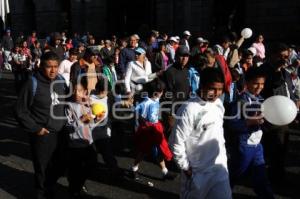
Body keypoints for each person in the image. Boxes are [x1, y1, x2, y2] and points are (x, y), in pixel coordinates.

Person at [169, 67, 232, 199]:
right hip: (197, 174)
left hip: (219, 170)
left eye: (220, 89)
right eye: (212, 88)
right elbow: (175, 142)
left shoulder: (219, 104)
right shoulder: (189, 109)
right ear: (201, 85)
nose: (216, 93)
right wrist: (186, 168)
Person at [15, 52, 67, 199]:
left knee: (61, 165)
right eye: (49, 67)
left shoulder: (61, 81)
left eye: (56, 66)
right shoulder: (32, 83)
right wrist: (36, 128)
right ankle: (41, 193)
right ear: (41, 66)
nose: (53, 70)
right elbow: (20, 111)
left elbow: (65, 101)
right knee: (42, 169)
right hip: (42, 134)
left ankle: (49, 187)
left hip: (60, 131)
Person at [227, 67, 274, 198]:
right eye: (256, 83)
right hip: (243, 147)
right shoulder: (239, 102)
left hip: (257, 146)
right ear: (247, 83)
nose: (259, 86)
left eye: (262, 83)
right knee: (232, 176)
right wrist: (249, 122)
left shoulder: (262, 100)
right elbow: (231, 125)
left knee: (261, 177)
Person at [65, 76, 104, 198]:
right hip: (75, 144)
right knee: (75, 170)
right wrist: (81, 120)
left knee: (91, 165)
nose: (77, 94)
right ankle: (74, 189)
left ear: (86, 92)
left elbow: (89, 125)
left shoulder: (88, 105)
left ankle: (78, 185)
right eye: (75, 91)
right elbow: (68, 127)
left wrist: (97, 120)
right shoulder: (69, 106)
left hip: (88, 142)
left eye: (80, 91)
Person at [130, 79, 175, 180]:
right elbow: (138, 114)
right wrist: (144, 122)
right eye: (161, 91)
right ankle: (134, 169)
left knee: (159, 149)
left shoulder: (156, 99)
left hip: (155, 128)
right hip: (148, 130)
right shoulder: (146, 103)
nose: (162, 93)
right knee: (143, 151)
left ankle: (165, 171)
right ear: (156, 92)